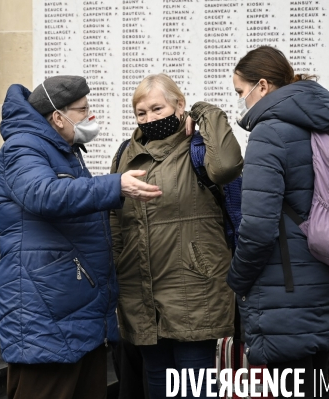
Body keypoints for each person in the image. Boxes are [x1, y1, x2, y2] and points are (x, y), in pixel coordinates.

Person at [0, 75, 162, 399]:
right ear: (58, 117)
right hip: (45, 305)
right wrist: (116, 185)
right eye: (83, 110)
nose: (90, 117)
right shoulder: (22, 147)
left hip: (71, 303)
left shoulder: (61, 149)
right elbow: (44, 194)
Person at [226, 46, 329, 397]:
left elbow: (257, 228)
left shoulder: (269, 132)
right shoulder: (320, 124)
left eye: (240, 91)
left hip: (286, 288)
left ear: (262, 86)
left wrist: (237, 280)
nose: (240, 101)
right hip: (326, 276)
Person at [110, 73, 243, 399]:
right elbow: (115, 219)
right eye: (141, 113)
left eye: (157, 109)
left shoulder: (198, 148)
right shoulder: (125, 153)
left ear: (178, 105)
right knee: (157, 383)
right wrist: (113, 269)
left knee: (195, 385)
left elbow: (227, 167)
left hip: (194, 289)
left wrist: (204, 112)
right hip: (140, 291)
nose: (149, 118)